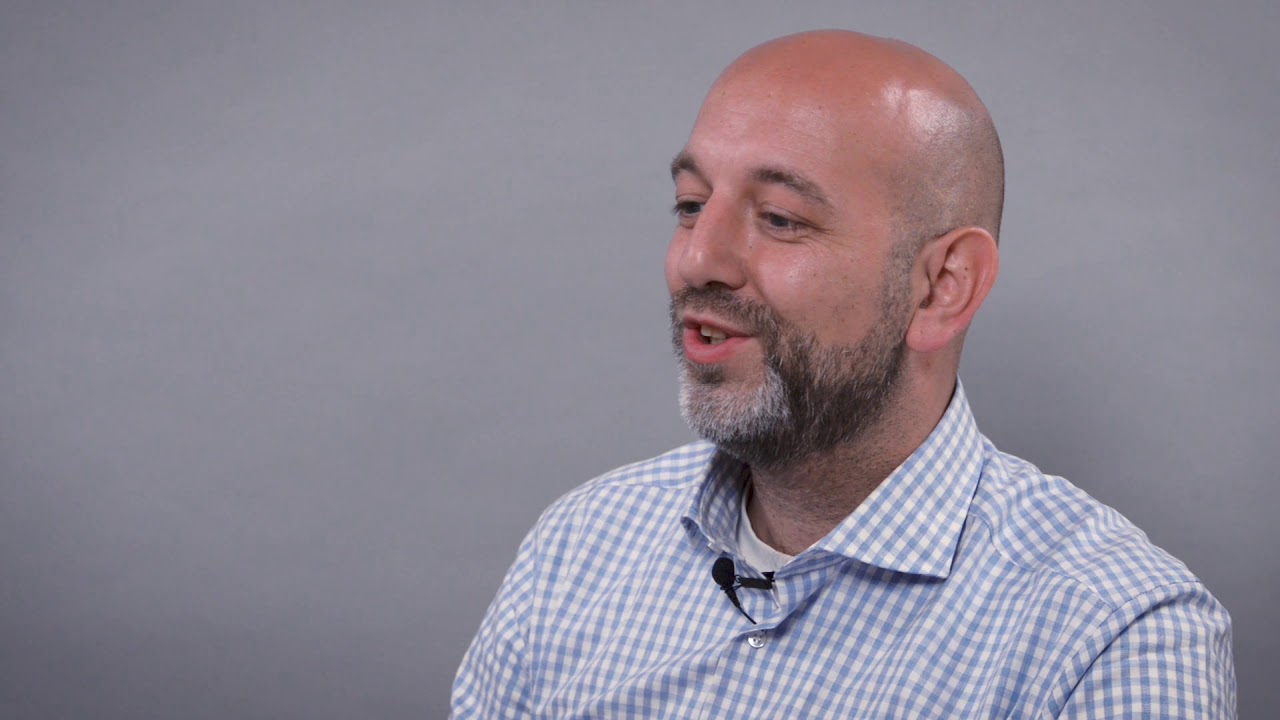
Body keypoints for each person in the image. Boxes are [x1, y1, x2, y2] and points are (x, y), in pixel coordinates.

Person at [451, 30, 1235, 718]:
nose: (696, 259)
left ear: (942, 287)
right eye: (691, 205)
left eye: (780, 219)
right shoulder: (580, 546)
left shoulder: (1112, 637)